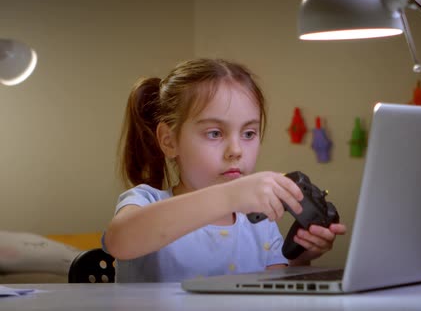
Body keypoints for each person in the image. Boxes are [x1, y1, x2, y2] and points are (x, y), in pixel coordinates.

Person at [102, 58, 347, 282]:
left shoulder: (259, 222)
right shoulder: (145, 200)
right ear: (169, 141)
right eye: (215, 133)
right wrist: (230, 196)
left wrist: (304, 255)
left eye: (249, 133)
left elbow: (273, 291)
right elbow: (120, 242)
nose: (236, 150)